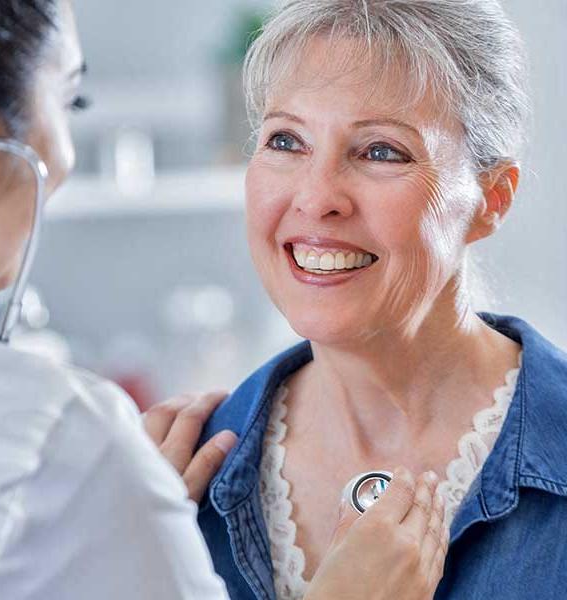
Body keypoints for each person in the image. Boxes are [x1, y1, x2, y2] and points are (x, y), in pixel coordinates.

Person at [0, 0, 445, 598]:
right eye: (69, 104)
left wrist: (113, 524)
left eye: (381, 151)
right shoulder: (48, 440)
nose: (318, 198)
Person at [195, 1, 567, 599]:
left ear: (491, 198)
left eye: (380, 151)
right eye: (286, 140)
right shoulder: (177, 485)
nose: (317, 199)